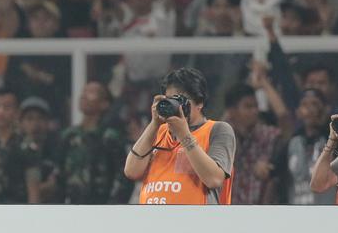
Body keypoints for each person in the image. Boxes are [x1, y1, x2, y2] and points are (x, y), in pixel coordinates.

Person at [125, 68, 235, 205]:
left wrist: (184, 135)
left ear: (199, 102)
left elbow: (213, 179)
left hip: (197, 222)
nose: (176, 106)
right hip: (153, 221)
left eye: (181, 100)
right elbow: (131, 171)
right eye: (169, 100)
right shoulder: (158, 131)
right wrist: (154, 124)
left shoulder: (217, 130)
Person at [57, 82, 129, 204]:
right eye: (83, 92)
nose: (83, 96)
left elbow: (124, 176)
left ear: (104, 104)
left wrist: (114, 205)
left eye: (91, 92)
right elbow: (59, 174)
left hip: (102, 207)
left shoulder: (110, 137)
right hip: (71, 207)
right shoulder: (69, 136)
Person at [272, 89, 334, 205]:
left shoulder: (335, 140)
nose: (309, 109)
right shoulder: (293, 142)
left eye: (315, 104)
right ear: (298, 112)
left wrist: (323, 124)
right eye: (305, 104)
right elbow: (272, 171)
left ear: (326, 109)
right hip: (297, 214)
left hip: (327, 213)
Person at [224, 84, 281, 205]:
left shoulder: (266, 134)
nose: (255, 111)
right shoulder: (223, 137)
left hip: (260, 212)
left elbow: (285, 122)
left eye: (256, 106)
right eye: (248, 107)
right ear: (232, 111)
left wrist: (264, 83)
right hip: (228, 212)